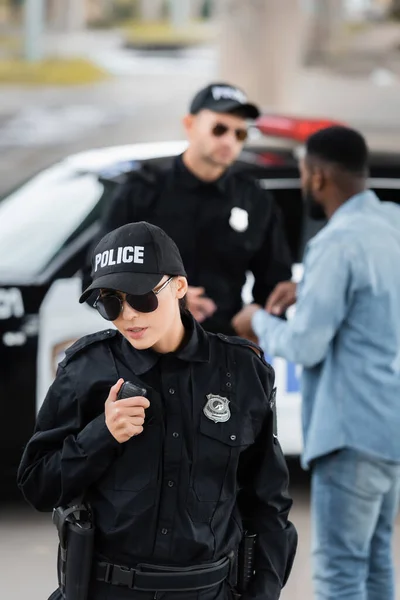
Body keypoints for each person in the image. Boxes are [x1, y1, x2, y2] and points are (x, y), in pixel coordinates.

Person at [18, 221, 297, 600]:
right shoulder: (87, 369)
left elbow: (268, 505)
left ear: (179, 287)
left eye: (141, 298)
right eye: (110, 302)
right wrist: (102, 434)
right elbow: (37, 484)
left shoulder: (242, 371)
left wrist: (262, 593)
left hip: (209, 590)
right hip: (108, 590)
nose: (128, 315)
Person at [232, 125, 400, 600]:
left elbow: (305, 346)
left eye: (305, 172)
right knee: (375, 565)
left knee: (339, 574)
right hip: (390, 429)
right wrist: (309, 292)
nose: (305, 181)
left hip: (349, 434)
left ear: (319, 177)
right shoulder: (391, 225)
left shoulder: (335, 243)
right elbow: (373, 300)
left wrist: (258, 320)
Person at [82, 82, 292, 335]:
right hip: (151, 353)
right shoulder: (143, 190)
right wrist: (163, 299)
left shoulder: (254, 199)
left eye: (240, 133)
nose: (229, 141)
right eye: (219, 129)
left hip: (223, 352)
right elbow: (96, 276)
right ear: (190, 125)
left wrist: (257, 319)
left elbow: (276, 283)